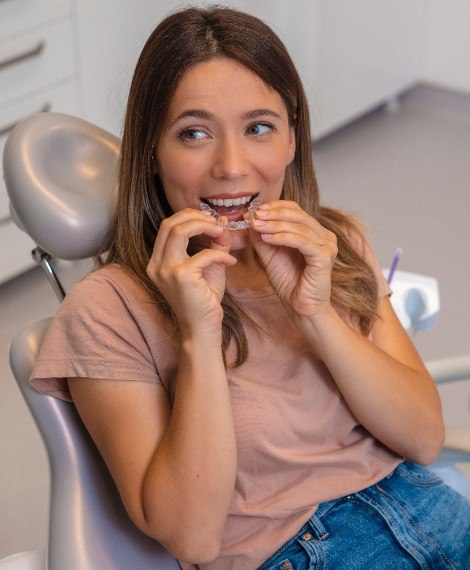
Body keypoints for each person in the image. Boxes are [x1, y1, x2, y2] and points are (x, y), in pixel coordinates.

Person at [31, 6, 470, 569]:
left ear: (291, 139)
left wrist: (316, 313)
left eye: (258, 127)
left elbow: (423, 438)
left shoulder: (330, 241)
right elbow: (190, 538)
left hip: (433, 514)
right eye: (193, 134)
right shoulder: (106, 311)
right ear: (151, 154)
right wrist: (198, 335)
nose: (232, 167)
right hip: (304, 553)